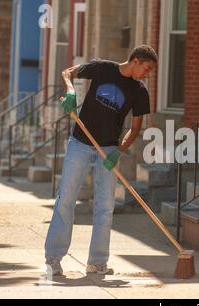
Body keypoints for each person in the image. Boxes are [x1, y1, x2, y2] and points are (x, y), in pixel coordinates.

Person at [44, 45, 157, 276]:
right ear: (135, 60)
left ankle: (97, 262)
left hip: (108, 149)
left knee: (105, 207)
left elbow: (135, 129)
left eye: (150, 71)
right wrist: (71, 92)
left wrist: (120, 150)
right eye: (146, 68)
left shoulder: (139, 90)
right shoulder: (102, 68)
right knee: (66, 198)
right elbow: (68, 72)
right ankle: (53, 258)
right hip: (80, 143)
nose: (147, 74)